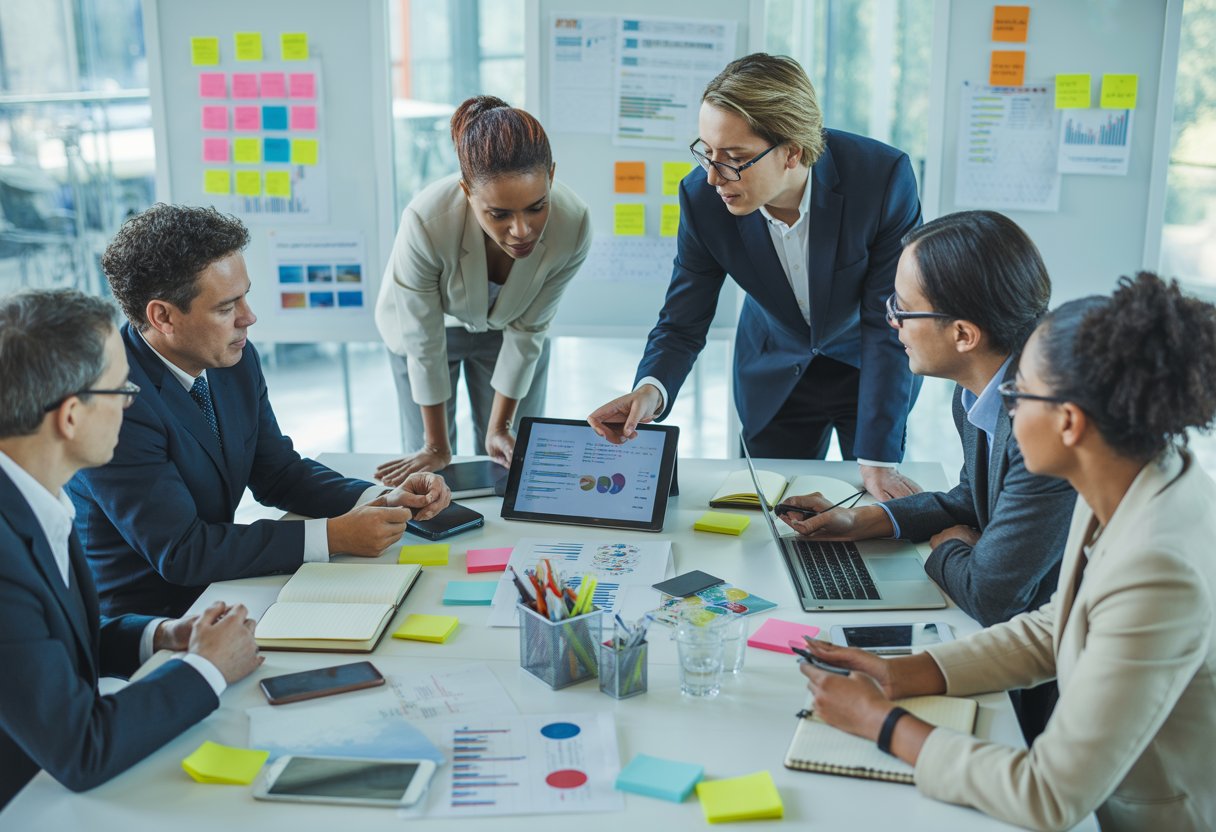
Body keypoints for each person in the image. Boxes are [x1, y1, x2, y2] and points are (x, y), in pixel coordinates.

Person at [795, 272, 1216, 831]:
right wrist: (906, 671)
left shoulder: (1159, 570)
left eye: (1018, 394)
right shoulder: (1132, 471)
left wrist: (882, 723)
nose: (1005, 409)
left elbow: (1046, 794)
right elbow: (1057, 626)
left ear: (1070, 422)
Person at [69, 204, 451, 618]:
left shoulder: (232, 357)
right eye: (225, 307)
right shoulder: (114, 398)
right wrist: (334, 536)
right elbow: (183, 552)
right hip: (153, 620)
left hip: (229, 586)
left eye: (245, 296)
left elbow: (277, 473)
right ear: (162, 316)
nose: (249, 318)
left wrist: (380, 498)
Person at [779, 211, 1076, 740]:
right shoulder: (980, 393)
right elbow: (972, 500)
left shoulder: (1043, 431)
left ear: (963, 333)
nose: (890, 321)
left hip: (1055, 686)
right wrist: (861, 521)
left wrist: (950, 550)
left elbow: (991, 594)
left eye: (904, 309)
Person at [587, 53, 923, 500]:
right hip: (773, 371)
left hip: (868, 367)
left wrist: (879, 460)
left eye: (734, 158)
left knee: (866, 507)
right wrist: (649, 391)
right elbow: (682, 320)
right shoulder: (701, 198)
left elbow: (889, 320)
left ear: (792, 152)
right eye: (707, 152)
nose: (712, 176)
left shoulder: (881, 179)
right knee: (765, 513)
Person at [0, 288, 262, 807]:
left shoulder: (34, 495)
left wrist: (162, 636)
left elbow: (45, 644)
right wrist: (207, 668)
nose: (133, 402)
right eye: (121, 389)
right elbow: (82, 748)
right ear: (70, 416)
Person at [374, 95, 591, 485]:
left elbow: (529, 331)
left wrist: (500, 426)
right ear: (467, 191)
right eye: (500, 214)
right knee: (428, 462)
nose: (522, 230)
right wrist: (436, 446)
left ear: (552, 177)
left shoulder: (573, 225)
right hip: (428, 327)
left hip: (509, 328)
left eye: (536, 207)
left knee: (513, 459)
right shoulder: (426, 221)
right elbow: (423, 341)